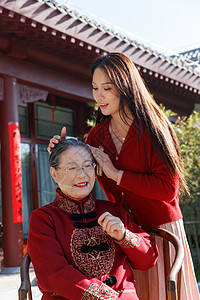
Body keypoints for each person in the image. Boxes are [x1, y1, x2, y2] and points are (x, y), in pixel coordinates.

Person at [47, 52, 200, 300]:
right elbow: (85, 175)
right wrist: (63, 150)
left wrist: (117, 174)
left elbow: (167, 189)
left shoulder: (154, 128)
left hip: (162, 230)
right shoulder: (96, 135)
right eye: (95, 88)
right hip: (124, 231)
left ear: (126, 86)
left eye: (107, 88)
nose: (99, 96)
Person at [28, 139, 158, 300]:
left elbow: (148, 260)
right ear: (54, 173)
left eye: (88, 166)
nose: (82, 174)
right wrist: (107, 298)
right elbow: (53, 274)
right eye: (72, 167)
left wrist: (124, 236)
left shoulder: (114, 211)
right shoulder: (44, 218)